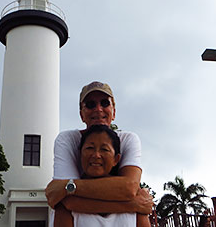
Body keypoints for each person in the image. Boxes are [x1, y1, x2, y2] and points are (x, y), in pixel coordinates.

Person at [45, 81, 153, 225]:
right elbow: (66, 202)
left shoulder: (128, 139)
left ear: (114, 111)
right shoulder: (68, 139)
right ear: (81, 114)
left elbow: (129, 187)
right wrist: (132, 204)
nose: (98, 109)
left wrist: (67, 187)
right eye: (90, 104)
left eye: (104, 103)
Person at [54, 124, 151, 226]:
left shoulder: (138, 199)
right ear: (80, 154)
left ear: (116, 159)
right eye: (90, 148)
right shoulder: (65, 203)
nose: (96, 155)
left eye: (104, 149)